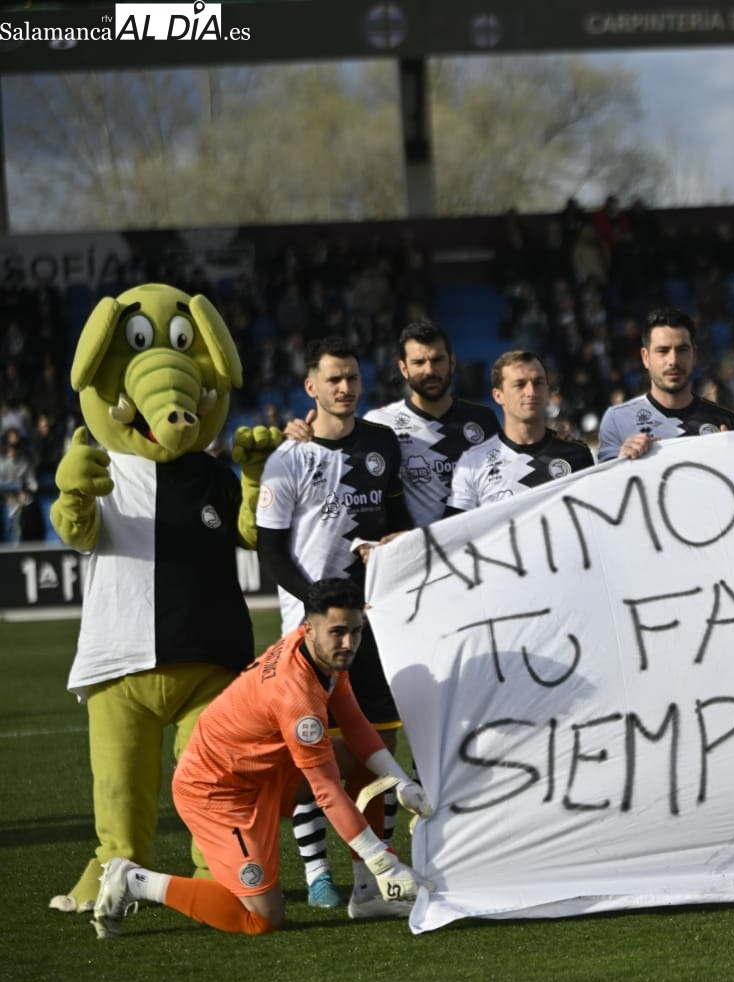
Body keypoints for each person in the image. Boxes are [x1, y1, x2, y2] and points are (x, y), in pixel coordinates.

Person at [91, 579, 432, 938]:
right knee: (263, 920)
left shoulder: (319, 652)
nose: (349, 643)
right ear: (308, 628)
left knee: (366, 757)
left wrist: (399, 781)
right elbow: (327, 791)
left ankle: (366, 894)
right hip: (220, 794)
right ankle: (133, 880)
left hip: (263, 771)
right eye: (338, 632)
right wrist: (383, 860)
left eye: (355, 631)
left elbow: (355, 723)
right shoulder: (296, 696)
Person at [257, 337, 414, 915]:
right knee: (310, 754)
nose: (345, 387)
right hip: (309, 631)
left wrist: (397, 542)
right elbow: (269, 550)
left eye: (351, 378)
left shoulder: (381, 444)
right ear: (311, 388)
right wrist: (319, 607)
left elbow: (393, 517)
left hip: (373, 623)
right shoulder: (286, 459)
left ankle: (371, 884)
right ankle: (317, 870)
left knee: (381, 744)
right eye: (333, 379)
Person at [362, 320, 501, 525]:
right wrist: (304, 434)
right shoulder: (380, 423)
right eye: (419, 362)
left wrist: (557, 443)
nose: (430, 370)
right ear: (403, 368)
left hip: (475, 548)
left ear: (452, 362)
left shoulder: (482, 419)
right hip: (418, 551)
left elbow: (507, 477)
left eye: (437, 360)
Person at [445, 350, 594, 515]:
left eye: (538, 383)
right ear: (498, 395)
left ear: (547, 390)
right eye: (519, 384)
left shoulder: (576, 454)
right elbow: (456, 533)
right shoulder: (473, 463)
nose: (531, 392)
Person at [597, 308, 734, 461]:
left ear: (695, 355)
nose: (673, 361)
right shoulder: (617, 419)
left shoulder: (725, 420)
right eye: (663, 351)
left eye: (682, 350)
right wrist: (621, 460)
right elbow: (605, 483)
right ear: (645, 357)